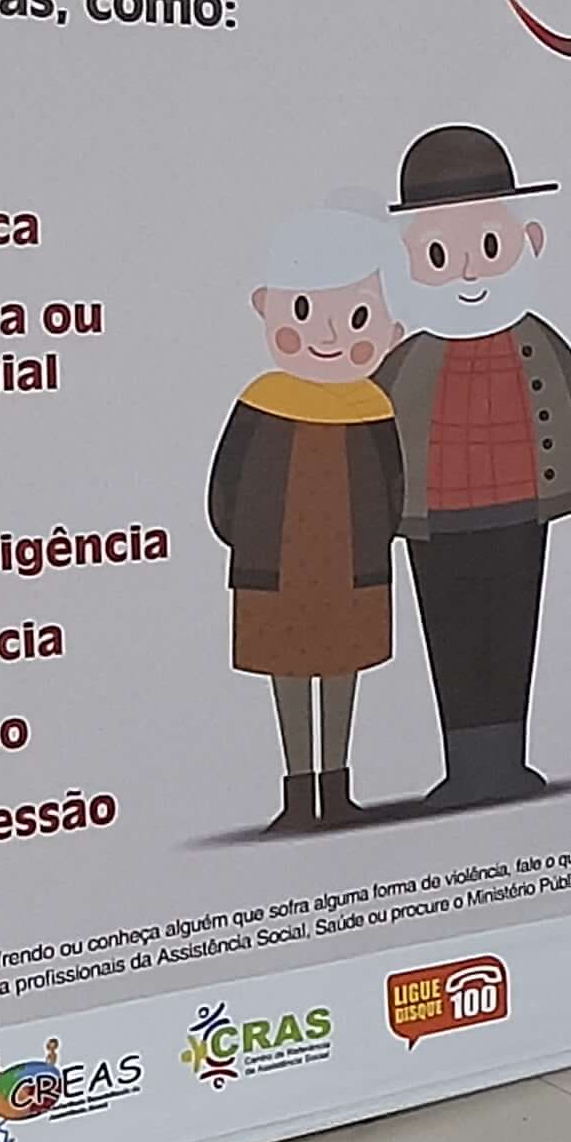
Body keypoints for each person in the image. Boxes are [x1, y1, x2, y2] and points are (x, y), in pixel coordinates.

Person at [376, 124, 571, 806]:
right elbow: (366, 437)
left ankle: (504, 764)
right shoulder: (406, 362)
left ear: (529, 243)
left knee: (510, 634)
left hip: (523, 511)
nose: (469, 272)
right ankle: (466, 769)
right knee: (452, 641)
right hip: (434, 520)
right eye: (441, 254)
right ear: (408, 261)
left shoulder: (540, 345)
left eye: (489, 248)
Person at [208, 205, 408, 830]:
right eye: (301, 310)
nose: (327, 334)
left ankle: (336, 786)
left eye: (357, 319)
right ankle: (299, 792)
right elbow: (225, 488)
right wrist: (243, 539)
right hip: (277, 570)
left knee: (343, 671)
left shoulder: (374, 408)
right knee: (289, 673)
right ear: (265, 306)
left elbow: (394, 489)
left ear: (392, 331)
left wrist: (376, 541)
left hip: (353, 569)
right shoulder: (261, 403)